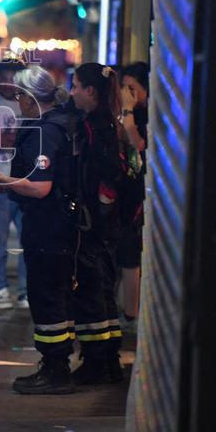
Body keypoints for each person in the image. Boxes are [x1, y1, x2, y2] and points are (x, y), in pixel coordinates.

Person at [0, 65, 79, 394]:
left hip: (48, 225)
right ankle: (55, 364)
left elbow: (40, 188)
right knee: (52, 296)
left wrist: (6, 181)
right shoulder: (54, 123)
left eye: (20, 94)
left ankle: (54, 370)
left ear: (31, 96)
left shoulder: (45, 131)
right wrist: (7, 188)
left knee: (46, 296)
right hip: (55, 224)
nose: (16, 100)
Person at [67, 63, 127, 385]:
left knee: (91, 293)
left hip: (97, 226)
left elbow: (104, 175)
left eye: (76, 86)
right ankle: (109, 360)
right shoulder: (108, 124)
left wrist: (94, 214)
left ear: (90, 91)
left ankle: (95, 363)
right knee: (103, 292)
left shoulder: (95, 127)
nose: (72, 92)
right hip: (107, 225)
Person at [0, 59, 27, 309]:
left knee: (27, 238)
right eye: (6, 77)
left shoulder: (30, 104)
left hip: (24, 182)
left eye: (14, 78)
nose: (10, 83)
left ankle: (24, 290)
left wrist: (7, 138)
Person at [118, 62, 149, 331]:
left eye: (132, 88)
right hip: (123, 190)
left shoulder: (148, 116)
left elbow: (138, 145)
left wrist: (128, 112)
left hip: (142, 193)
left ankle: (131, 313)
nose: (126, 93)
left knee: (131, 253)